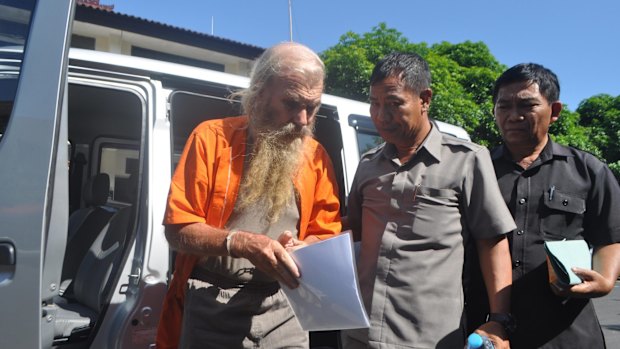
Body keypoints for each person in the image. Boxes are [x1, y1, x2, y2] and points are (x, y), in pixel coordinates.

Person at [155, 42, 342, 349]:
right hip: (214, 301)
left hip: (286, 306)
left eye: (313, 106)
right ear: (258, 93)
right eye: (292, 103)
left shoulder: (316, 155)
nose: (304, 120)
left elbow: (326, 233)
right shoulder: (210, 138)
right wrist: (240, 242)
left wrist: (305, 247)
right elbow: (178, 230)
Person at [341, 52, 516, 349]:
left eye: (394, 104)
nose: (381, 115)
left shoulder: (466, 160)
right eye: (374, 103)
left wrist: (499, 318)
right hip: (361, 332)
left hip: (429, 337)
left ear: (424, 99)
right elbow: (351, 230)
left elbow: (492, 242)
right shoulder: (368, 164)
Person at [466, 63, 620, 348]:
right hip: (488, 331)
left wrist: (605, 281)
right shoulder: (475, 170)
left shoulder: (588, 171)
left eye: (527, 105)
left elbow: (610, 236)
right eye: (504, 106)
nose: (514, 116)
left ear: (555, 111)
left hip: (565, 332)